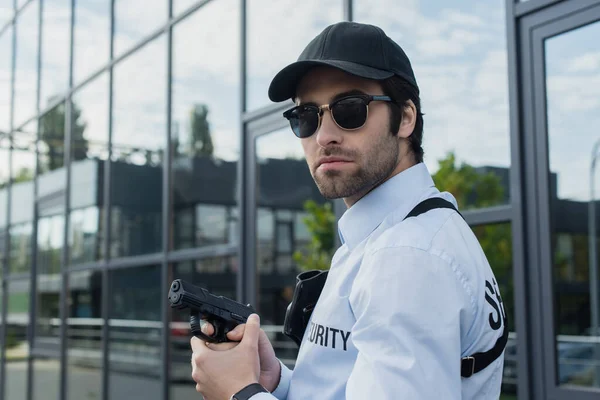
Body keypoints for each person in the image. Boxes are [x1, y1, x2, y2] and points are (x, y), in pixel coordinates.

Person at [189, 21, 507, 400]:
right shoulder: (397, 234)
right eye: (306, 116)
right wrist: (275, 381)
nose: (324, 136)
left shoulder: (406, 256)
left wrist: (240, 393)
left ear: (406, 117)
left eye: (350, 109)